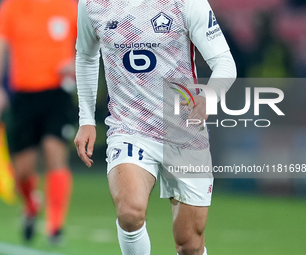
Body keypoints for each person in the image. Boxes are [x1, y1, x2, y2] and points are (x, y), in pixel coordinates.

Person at [74, 0, 236, 254]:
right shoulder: (93, 4)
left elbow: (225, 63)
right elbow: (86, 56)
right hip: (128, 127)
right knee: (129, 211)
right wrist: (86, 119)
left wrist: (209, 98)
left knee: (189, 244)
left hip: (183, 131)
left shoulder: (186, 3)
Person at [0, 0, 78, 243]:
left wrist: (77, 62)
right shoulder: (13, 7)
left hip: (58, 92)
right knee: (23, 170)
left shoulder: (69, 6)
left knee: (54, 151)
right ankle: (30, 205)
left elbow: (91, 41)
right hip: (24, 96)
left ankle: (55, 226)